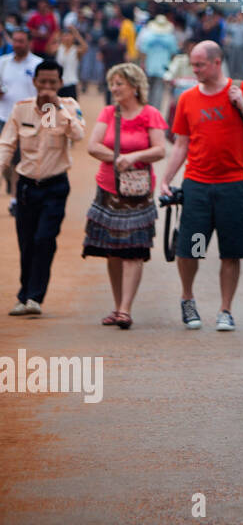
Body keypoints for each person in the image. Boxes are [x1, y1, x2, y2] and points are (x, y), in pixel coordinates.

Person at [159, 40, 243, 331]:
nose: (194, 69)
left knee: (231, 251)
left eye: (199, 64)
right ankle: (188, 298)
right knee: (191, 248)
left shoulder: (242, 90)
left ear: (216, 63)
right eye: (192, 64)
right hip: (197, 185)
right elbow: (181, 145)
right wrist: (166, 178)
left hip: (233, 185)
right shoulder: (187, 99)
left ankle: (225, 309)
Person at [82, 63, 167, 329]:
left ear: (134, 86)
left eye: (119, 84)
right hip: (108, 190)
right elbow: (93, 146)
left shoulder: (150, 114)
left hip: (138, 192)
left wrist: (134, 157)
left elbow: (160, 150)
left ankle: (125, 309)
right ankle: (118, 305)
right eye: (112, 84)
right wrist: (118, 158)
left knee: (133, 251)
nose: (114, 89)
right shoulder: (109, 113)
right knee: (113, 252)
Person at [0, 58, 85, 314]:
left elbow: (78, 135)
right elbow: (7, 144)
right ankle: (24, 294)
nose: (47, 87)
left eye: (52, 82)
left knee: (44, 239)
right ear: (34, 82)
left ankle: (35, 297)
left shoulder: (69, 107)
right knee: (26, 242)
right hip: (27, 187)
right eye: (43, 82)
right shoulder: (22, 109)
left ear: (60, 83)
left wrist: (58, 108)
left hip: (55, 186)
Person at [0, 28, 42, 208]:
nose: (17, 44)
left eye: (21, 41)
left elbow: (47, 96)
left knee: (21, 160)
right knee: (5, 160)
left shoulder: (37, 65)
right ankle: (10, 182)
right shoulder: (3, 63)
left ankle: (15, 199)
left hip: (28, 120)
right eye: (15, 41)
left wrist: (48, 122)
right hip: (4, 117)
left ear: (29, 43)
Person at [137, 11, 179, 109]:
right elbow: (173, 53)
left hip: (149, 67)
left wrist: (143, 64)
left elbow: (143, 52)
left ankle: (147, 110)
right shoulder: (170, 38)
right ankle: (155, 112)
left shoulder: (148, 36)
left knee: (148, 90)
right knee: (159, 91)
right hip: (163, 67)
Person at [54, 26, 88, 98]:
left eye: (69, 35)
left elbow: (85, 47)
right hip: (59, 82)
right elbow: (48, 50)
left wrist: (76, 33)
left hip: (72, 82)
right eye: (65, 36)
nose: (67, 38)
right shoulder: (58, 48)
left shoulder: (76, 50)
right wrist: (55, 34)